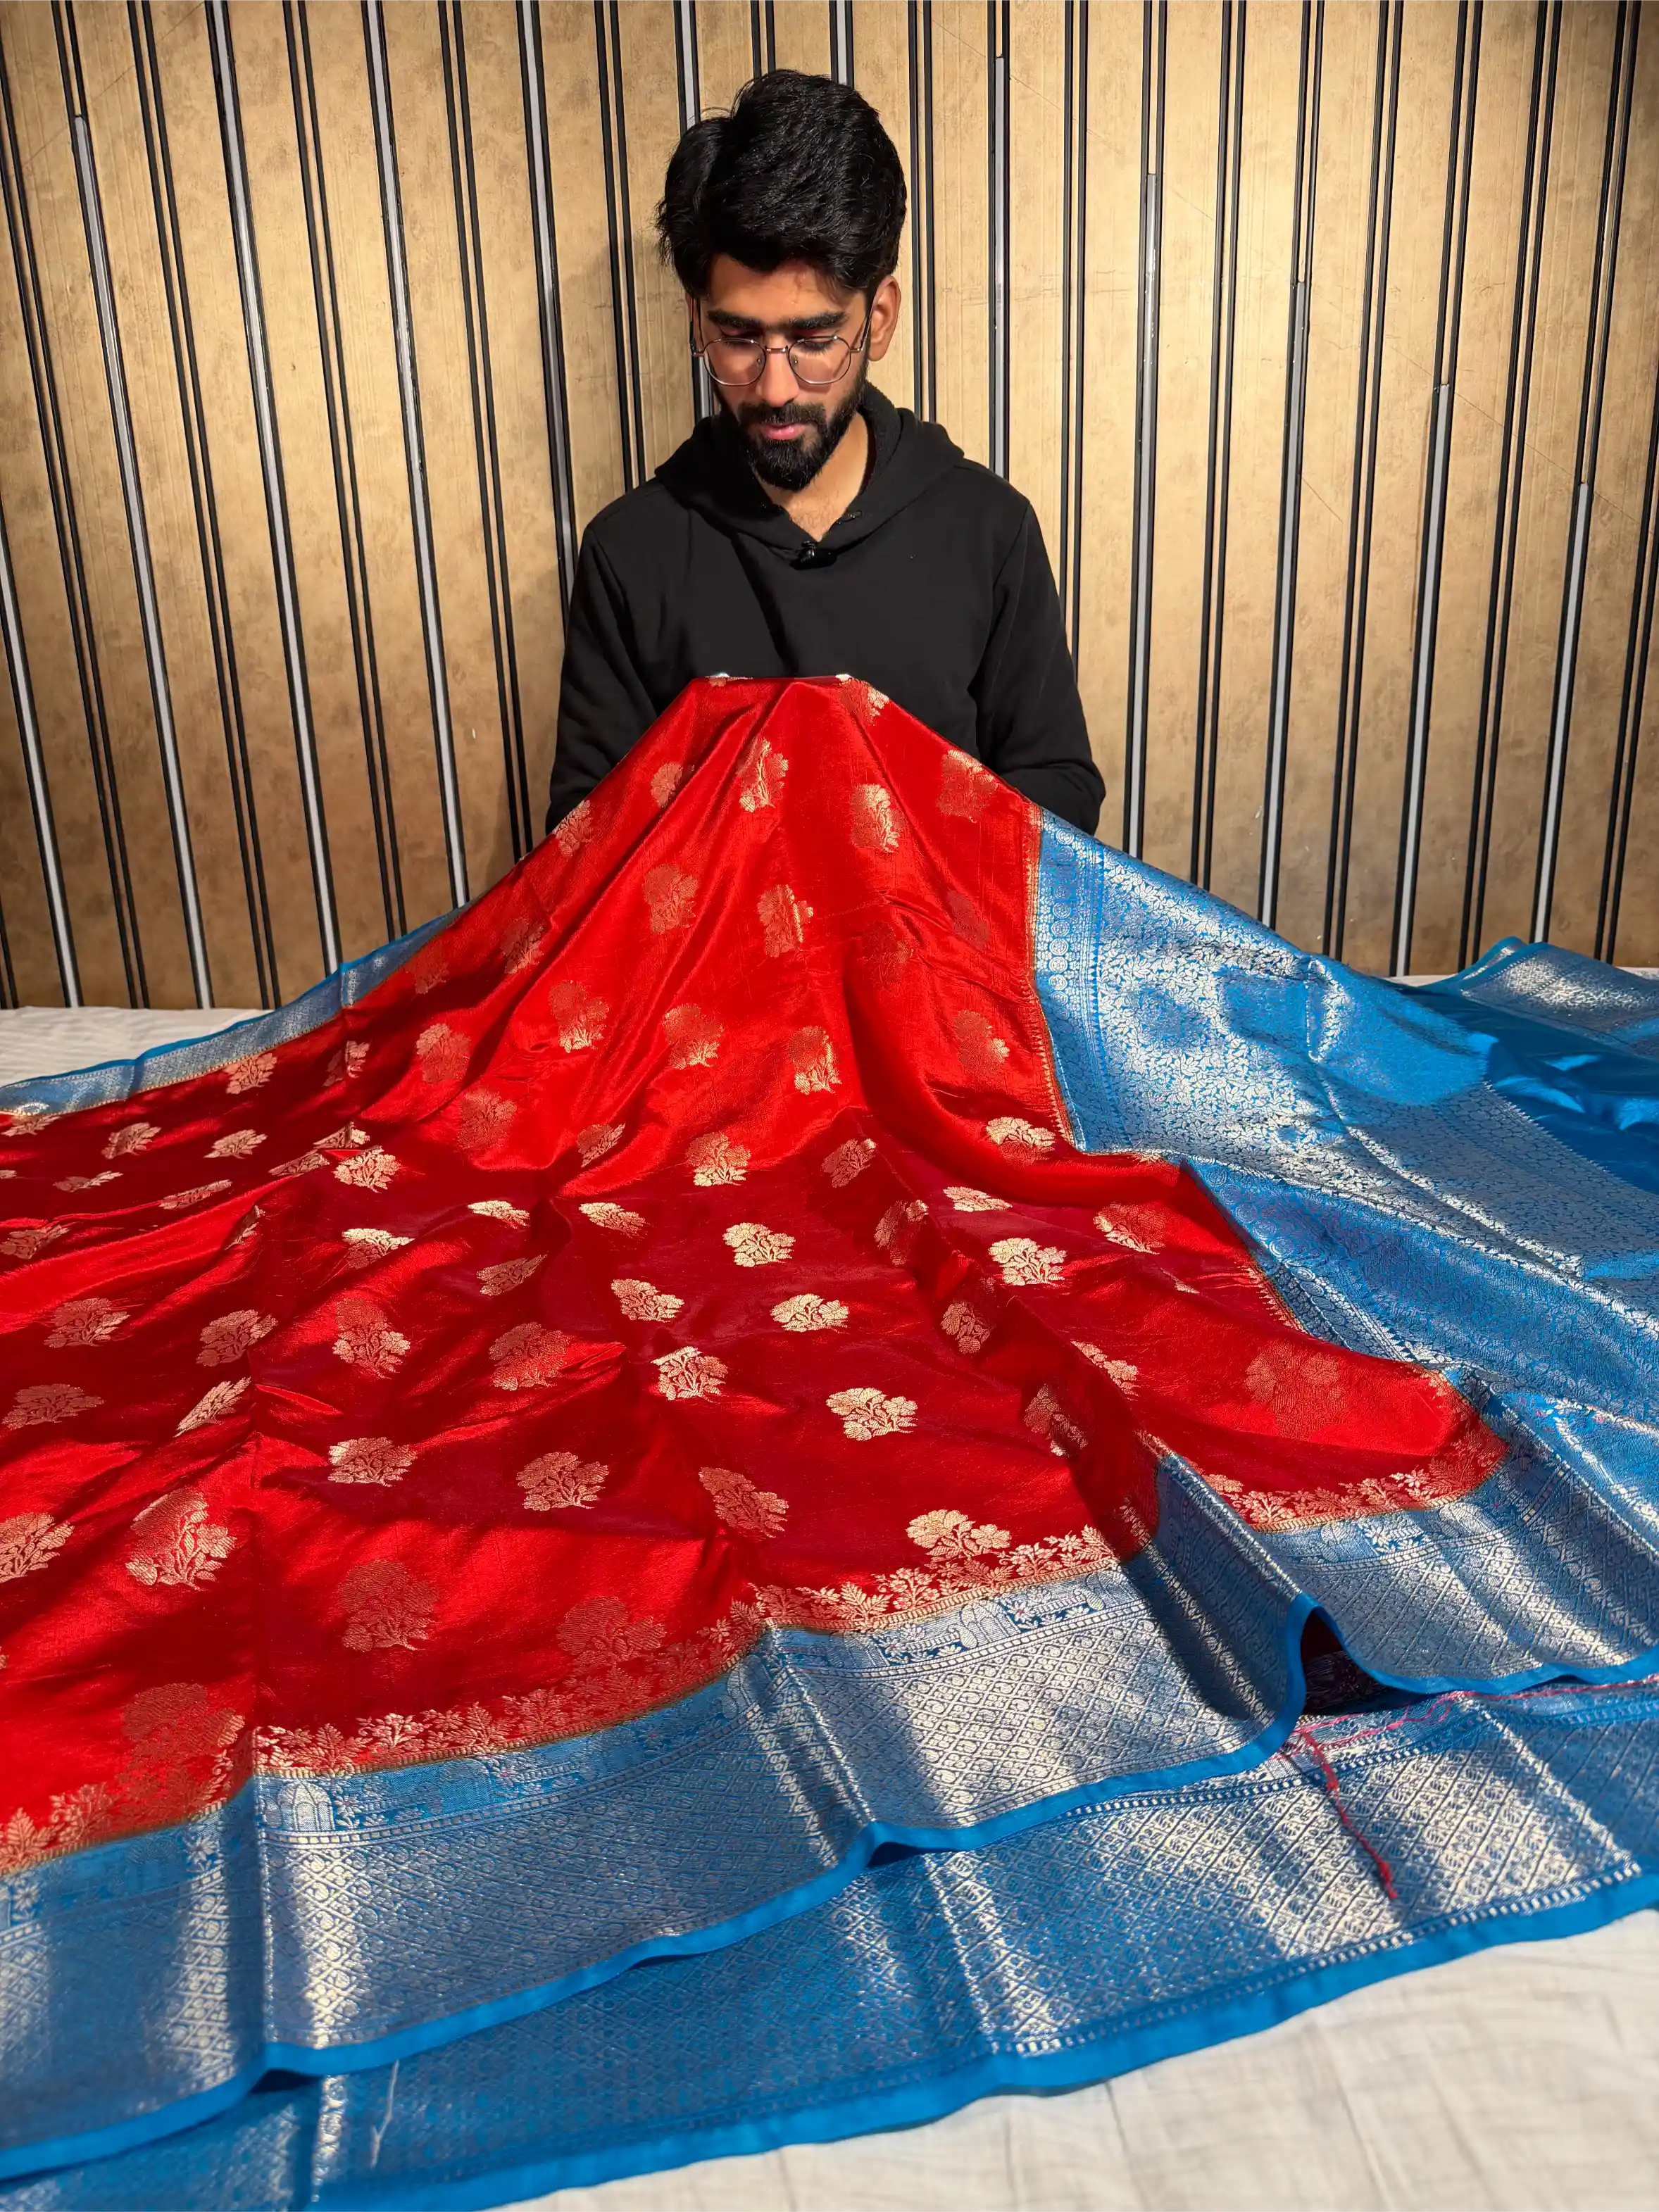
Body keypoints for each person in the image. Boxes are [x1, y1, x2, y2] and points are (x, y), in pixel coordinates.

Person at [547, 69, 1104, 838]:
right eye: (737, 338)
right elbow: (584, 835)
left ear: (877, 318)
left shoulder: (988, 531)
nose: (775, 387)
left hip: (935, 955)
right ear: (696, 320)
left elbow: (1059, 787)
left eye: (814, 341)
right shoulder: (629, 554)